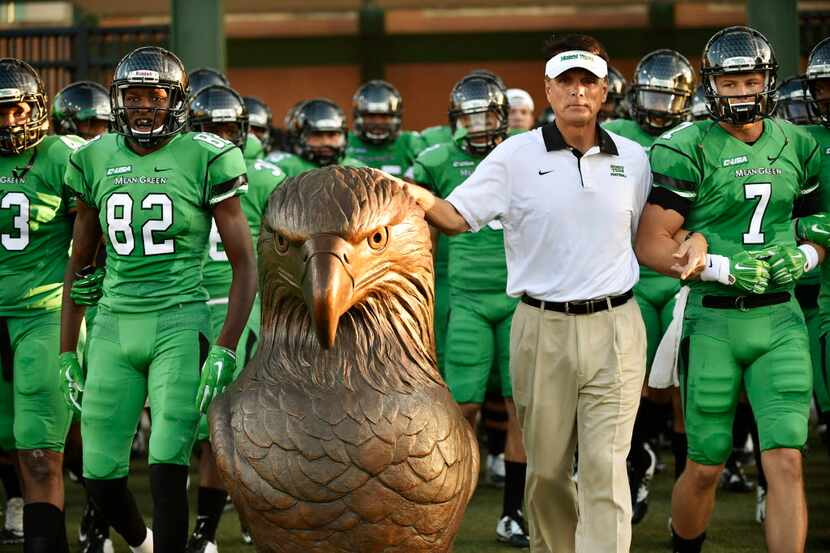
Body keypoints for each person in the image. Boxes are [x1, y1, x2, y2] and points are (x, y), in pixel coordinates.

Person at [407, 33, 657, 553]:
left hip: (617, 325)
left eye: (588, 81)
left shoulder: (634, 159)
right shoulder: (513, 156)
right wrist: (408, 193)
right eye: (566, 81)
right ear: (548, 89)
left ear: (605, 89)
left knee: (606, 467)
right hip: (541, 327)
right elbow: (457, 217)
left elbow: (652, 234)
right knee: (545, 471)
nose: (578, 93)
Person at [635, 26, 825, 553]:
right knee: (705, 463)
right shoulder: (687, 146)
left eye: (751, 79)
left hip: (781, 318)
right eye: (730, 81)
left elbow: (818, 223)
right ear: (711, 84)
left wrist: (806, 254)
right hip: (715, 316)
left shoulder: (799, 143)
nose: (741, 91)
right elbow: (651, 244)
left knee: (786, 457)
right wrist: (719, 266)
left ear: (768, 80)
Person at [59, 46, 256, 553]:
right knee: (100, 474)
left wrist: (226, 345)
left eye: (155, 96)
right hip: (113, 324)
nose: (143, 106)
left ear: (176, 102)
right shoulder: (93, 157)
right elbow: (80, 259)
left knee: (169, 462)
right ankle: (142, 543)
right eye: (133, 96)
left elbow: (244, 266)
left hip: (178, 319)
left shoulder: (207, 155)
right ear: (118, 101)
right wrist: (66, 348)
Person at [410, 71, 529, 548]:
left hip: (519, 293)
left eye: (488, 115)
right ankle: (449, 501)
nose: (480, 125)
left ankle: (513, 513)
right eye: (471, 115)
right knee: (464, 406)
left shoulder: (524, 150)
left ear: (502, 118)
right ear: (455, 120)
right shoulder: (438, 159)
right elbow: (419, 231)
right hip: (466, 298)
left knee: (523, 405)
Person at [184, 84, 286, 553]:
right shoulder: (174, 168)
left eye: (230, 129)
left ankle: (211, 527)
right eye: (213, 129)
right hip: (180, 304)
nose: (223, 139)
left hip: (238, 305)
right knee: (192, 424)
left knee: (230, 422)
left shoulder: (262, 176)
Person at [603, 48, 695, 522]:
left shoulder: (699, 135)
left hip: (681, 273)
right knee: (632, 380)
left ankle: (684, 484)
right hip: (635, 274)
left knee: (679, 384)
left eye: (667, 98)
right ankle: (637, 463)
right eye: (651, 97)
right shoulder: (615, 135)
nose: (658, 108)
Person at [0, 57, 84, 553]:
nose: (7, 122)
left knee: (39, 453)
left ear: (36, 108)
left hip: (41, 311)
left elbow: (91, 231)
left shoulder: (61, 156)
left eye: (15, 110)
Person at [52, 79, 115, 553]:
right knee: (76, 419)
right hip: (69, 295)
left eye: (102, 124)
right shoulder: (65, 161)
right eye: (87, 124)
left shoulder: (121, 160)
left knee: (103, 416)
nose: (96, 133)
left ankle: (97, 514)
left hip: (115, 299)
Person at [266, 98, 364, 177]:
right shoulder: (282, 167)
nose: (325, 142)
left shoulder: (357, 168)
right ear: (298, 136)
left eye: (332, 135)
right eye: (317, 135)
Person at [346, 80, 425, 178]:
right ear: (358, 117)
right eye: (371, 116)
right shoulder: (345, 142)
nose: (377, 122)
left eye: (384, 117)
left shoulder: (410, 142)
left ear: (396, 117)